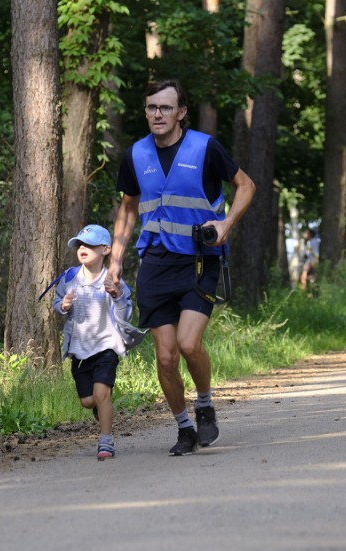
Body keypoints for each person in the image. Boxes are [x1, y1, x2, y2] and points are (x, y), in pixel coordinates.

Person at [106, 79, 255, 456]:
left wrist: (227, 223)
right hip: (156, 263)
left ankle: (204, 401)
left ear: (181, 112)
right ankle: (184, 427)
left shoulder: (205, 148)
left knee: (189, 344)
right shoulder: (136, 155)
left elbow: (246, 185)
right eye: (152, 107)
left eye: (166, 108)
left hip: (200, 261)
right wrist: (116, 262)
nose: (158, 114)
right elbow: (127, 208)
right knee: (166, 356)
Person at [53, 224, 134, 460]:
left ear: (105, 249)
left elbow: (126, 314)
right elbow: (58, 304)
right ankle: (101, 408)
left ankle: (106, 441)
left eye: (89, 245)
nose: (82, 248)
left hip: (106, 346)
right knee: (88, 401)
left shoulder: (113, 280)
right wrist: (63, 306)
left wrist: (117, 296)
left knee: (101, 394)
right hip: (79, 350)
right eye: (80, 244)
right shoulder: (69, 278)